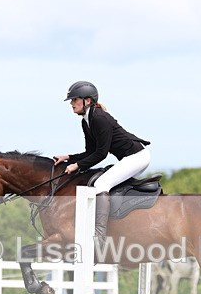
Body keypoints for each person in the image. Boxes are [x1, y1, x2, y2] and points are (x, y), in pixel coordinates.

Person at [53, 81, 151, 247]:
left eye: (75, 99)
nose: (71, 103)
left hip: (137, 157)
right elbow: (90, 152)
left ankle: (99, 235)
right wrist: (68, 157)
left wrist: (77, 166)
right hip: (130, 158)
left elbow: (101, 154)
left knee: (101, 183)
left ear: (87, 101)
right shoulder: (87, 121)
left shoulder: (99, 118)